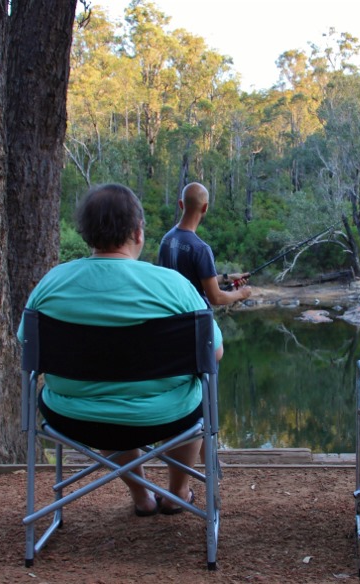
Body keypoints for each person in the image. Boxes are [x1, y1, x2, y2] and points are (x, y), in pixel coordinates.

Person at [17, 183, 225, 516]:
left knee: (103, 395)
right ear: (138, 233)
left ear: (86, 234)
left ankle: (142, 497)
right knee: (194, 389)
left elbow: (26, 346)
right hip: (166, 418)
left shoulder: (50, 284)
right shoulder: (174, 287)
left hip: (74, 418)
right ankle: (176, 493)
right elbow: (213, 355)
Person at [158, 182, 253, 308]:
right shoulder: (200, 249)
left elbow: (192, 280)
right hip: (193, 320)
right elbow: (216, 297)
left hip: (170, 316)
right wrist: (241, 293)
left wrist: (227, 277)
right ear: (205, 207)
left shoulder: (167, 239)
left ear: (181, 204)